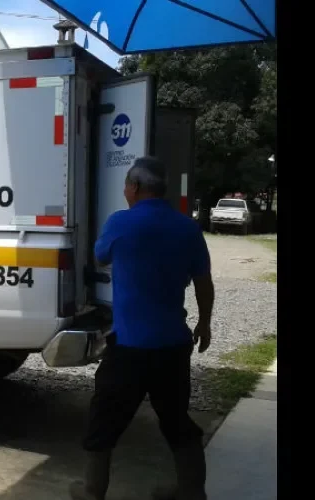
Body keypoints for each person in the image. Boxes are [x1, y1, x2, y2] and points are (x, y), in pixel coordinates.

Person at [69, 157, 215, 500]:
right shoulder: (187, 227)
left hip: (130, 349)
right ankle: (192, 492)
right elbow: (203, 282)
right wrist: (204, 323)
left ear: (134, 188)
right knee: (178, 422)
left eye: (125, 185)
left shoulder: (121, 223)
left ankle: (92, 492)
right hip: (173, 346)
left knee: (104, 421)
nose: (123, 191)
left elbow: (101, 256)